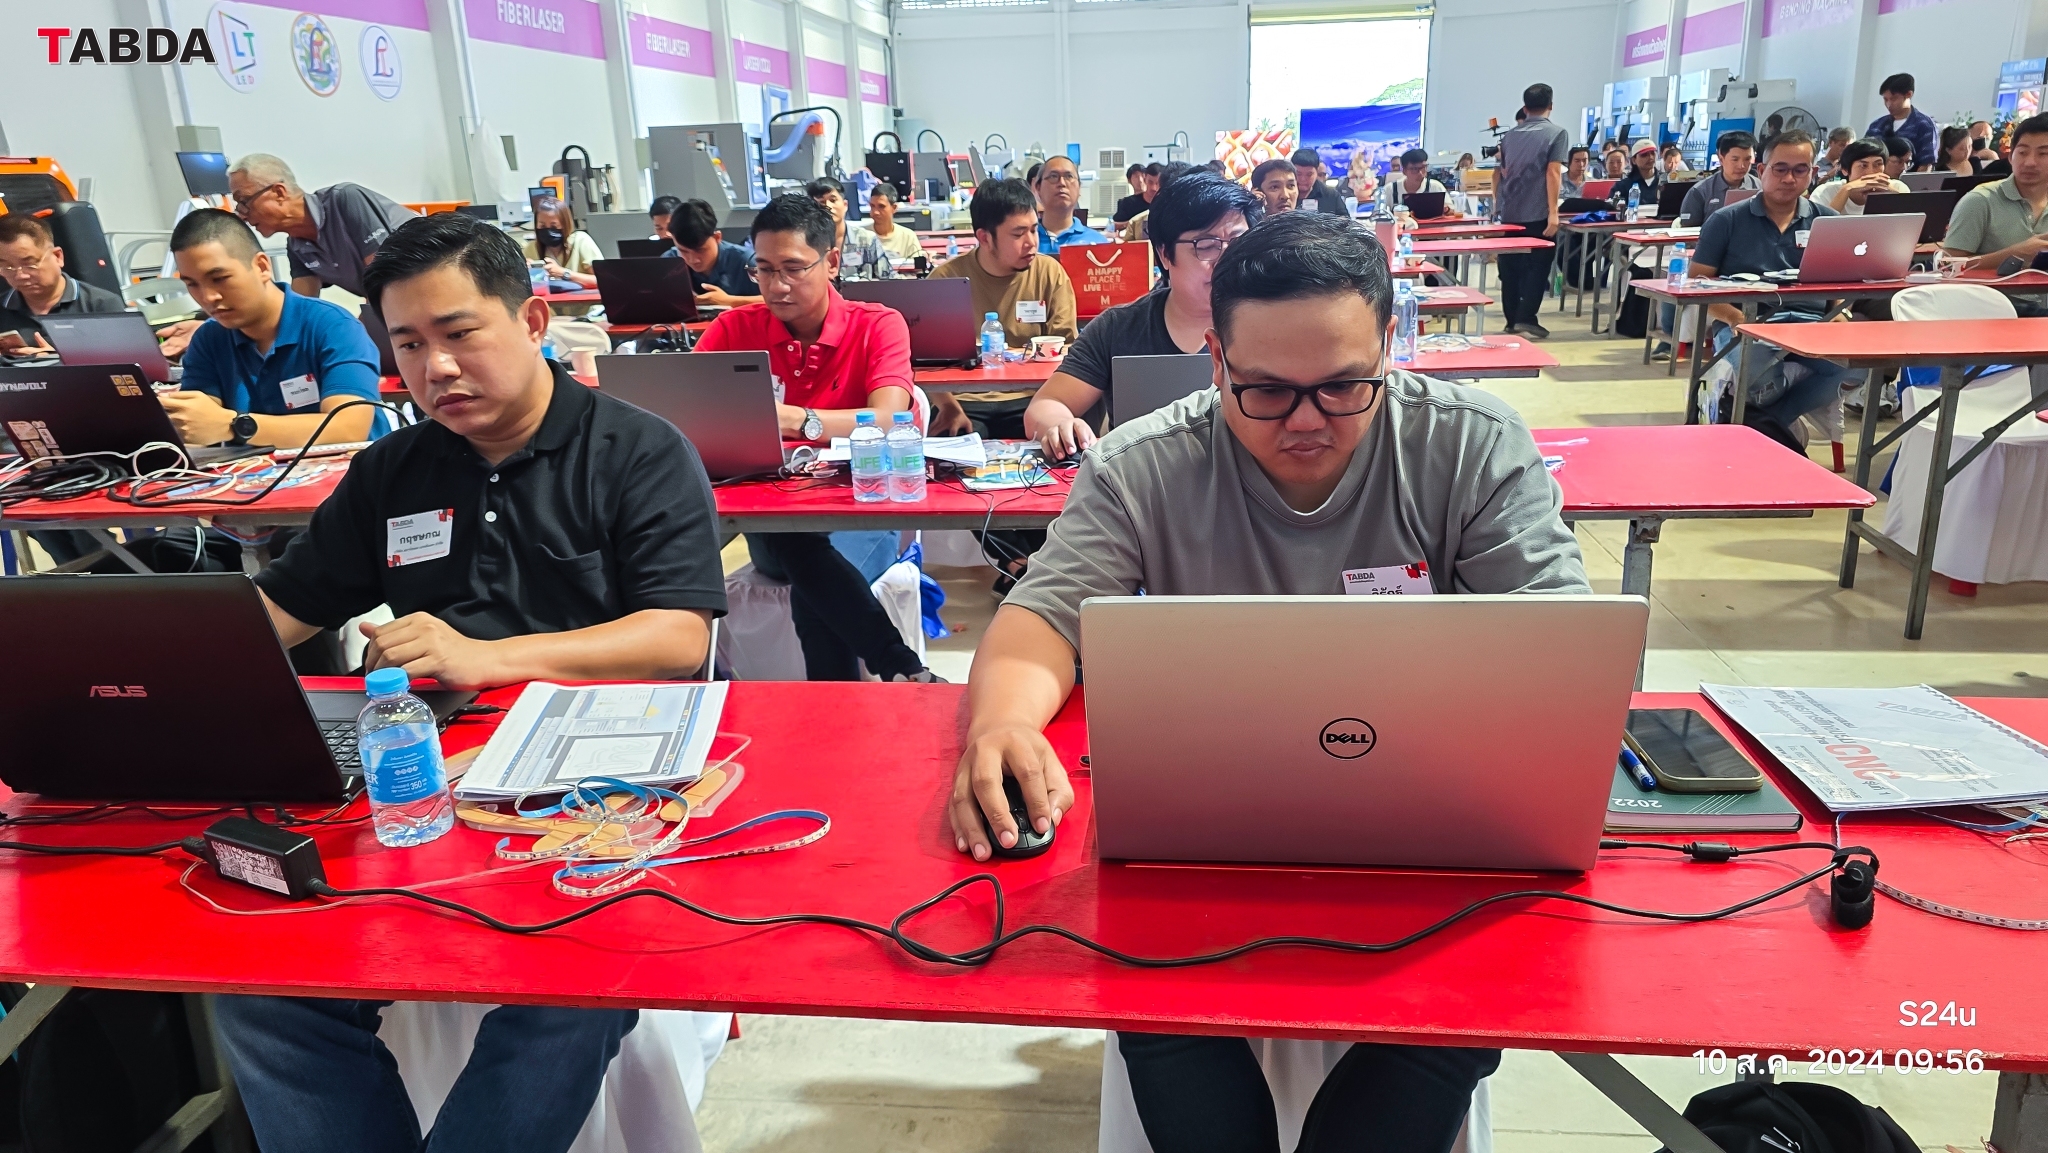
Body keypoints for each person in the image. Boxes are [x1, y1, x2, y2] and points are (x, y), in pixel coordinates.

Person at [950, 210, 1583, 1150]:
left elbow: (1560, 650)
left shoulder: (1470, 444)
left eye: (1343, 387)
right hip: (1201, 836)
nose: (1306, 421)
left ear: (1390, 345)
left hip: (1435, 829)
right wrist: (1001, 724)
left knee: (1451, 1014)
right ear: (1216, 361)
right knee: (1153, 993)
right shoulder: (1143, 465)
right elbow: (1042, 616)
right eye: (1268, 392)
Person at [212, 210, 728, 1153]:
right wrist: (153, 658)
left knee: (574, 983)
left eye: (458, 332)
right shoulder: (394, 469)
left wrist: (484, 657)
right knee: (260, 990)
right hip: (415, 774)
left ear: (532, 320)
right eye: (408, 343)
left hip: (598, 781)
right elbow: (284, 607)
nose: (435, 367)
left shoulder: (636, 449)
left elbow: (676, 635)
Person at [693, 194, 937, 683]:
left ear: (830, 262)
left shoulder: (877, 325)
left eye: (793, 269)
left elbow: (889, 419)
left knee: (812, 587)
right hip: (766, 512)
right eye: (763, 270)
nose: (776, 286)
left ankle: (865, 693)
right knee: (679, 556)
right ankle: (902, 669)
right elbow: (689, 411)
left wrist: (794, 420)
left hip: (860, 505)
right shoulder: (734, 328)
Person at [1027, 172, 1257, 460]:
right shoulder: (1120, 328)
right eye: (1206, 246)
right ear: (1164, 254)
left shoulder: (1271, 325)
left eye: (1238, 242)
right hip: (1140, 480)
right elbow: (1046, 404)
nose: (1225, 260)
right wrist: (1062, 426)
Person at [1689, 129, 1852, 446]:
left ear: (1812, 172)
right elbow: (1699, 284)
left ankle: (1770, 426)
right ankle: (1776, 429)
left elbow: (1841, 281)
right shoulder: (1726, 220)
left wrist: (1839, 312)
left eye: (1800, 170)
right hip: (1749, 322)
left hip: (1812, 323)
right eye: (1780, 169)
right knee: (1756, 375)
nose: (1789, 178)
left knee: (1856, 368)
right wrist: (1735, 317)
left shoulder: (1828, 221)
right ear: (1762, 170)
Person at [228, 152, 418, 370]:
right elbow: (299, 312)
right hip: (399, 313)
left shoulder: (346, 200)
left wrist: (347, 338)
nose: (242, 215)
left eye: (244, 201)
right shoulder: (296, 245)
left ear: (279, 192)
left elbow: (384, 281)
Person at [928, 178, 1079, 441]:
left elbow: (1068, 350)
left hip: (1033, 398)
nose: (1031, 242)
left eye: (1034, 230)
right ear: (985, 238)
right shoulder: (946, 280)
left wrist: (1052, 407)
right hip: (964, 401)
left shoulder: (1049, 273)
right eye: (1018, 234)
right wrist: (947, 406)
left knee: (1064, 449)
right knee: (952, 452)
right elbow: (925, 360)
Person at [1940, 112, 2048, 314]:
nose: (2030, 162)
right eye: (2022, 152)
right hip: (1991, 308)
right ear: (2011, 156)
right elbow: (1946, 267)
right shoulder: (1980, 201)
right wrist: (2016, 253)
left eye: (2043, 154)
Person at [1493, 82, 1569, 340]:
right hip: (1538, 213)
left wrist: (1498, 207)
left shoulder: (1508, 137)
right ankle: (1526, 316)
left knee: (1511, 268)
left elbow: (1501, 174)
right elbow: (1553, 172)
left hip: (1510, 213)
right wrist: (1554, 212)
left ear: (1525, 108)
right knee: (1538, 265)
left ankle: (1511, 319)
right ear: (1551, 106)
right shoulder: (1557, 133)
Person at [0, 212, 128, 352]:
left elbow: (123, 361)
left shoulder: (100, 305)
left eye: (30, 264)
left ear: (57, 257)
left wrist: (55, 358)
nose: (20, 275)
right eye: (7, 267)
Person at [668, 199, 761, 307]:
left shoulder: (747, 261)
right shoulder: (669, 262)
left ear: (717, 237)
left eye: (700, 250)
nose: (693, 260)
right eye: (683, 251)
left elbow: (775, 299)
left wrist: (730, 301)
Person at [807, 177, 894, 281]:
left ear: (845, 205)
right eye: (822, 202)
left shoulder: (867, 240)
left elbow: (887, 281)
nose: (828, 206)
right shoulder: (807, 242)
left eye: (833, 200)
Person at [1678, 131, 1759, 225]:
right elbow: (1689, 229)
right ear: (1721, 159)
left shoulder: (1760, 187)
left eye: (1747, 159)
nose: (1741, 166)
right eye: (1735, 159)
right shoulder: (1699, 192)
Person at [1032, 155, 1109, 252]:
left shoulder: (1098, 243)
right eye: (1053, 176)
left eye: (1069, 176)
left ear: (1079, 188)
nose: (1062, 183)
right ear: (1038, 188)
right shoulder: (1026, 241)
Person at [1810, 138, 1908, 215]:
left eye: (1878, 164)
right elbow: (1819, 229)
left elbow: (1908, 225)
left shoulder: (1897, 188)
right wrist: (1846, 189)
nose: (1871, 173)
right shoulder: (1825, 192)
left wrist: (1892, 194)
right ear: (1845, 170)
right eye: (1863, 166)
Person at [523, 196, 601, 289]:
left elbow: (601, 280)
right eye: (542, 226)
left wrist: (563, 273)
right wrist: (525, 272)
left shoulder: (581, 241)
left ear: (564, 224)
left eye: (554, 226)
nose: (548, 230)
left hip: (581, 298)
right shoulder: (531, 248)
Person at [1868, 72, 1938, 172]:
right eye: (1885, 99)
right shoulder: (1877, 126)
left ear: (1908, 94)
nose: (1889, 104)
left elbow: (1926, 164)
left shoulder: (1924, 125)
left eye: (1893, 99)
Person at [866, 181, 924, 262]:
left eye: (881, 206)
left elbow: (918, 266)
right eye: (872, 206)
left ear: (894, 208)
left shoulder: (908, 236)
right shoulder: (861, 235)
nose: (875, 212)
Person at [1376, 147, 1446, 211]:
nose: (1420, 173)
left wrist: (1446, 209)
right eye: (1415, 169)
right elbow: (1379, 215)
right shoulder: (1389, 190)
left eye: (1423, 167)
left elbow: (1450, 211)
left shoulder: (1436, 187)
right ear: (1404, 171)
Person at [1292, 148, 1349, 215]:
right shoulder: (1285, 195)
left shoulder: (1331, 195)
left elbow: (1345, 219)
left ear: (1316, 173)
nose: (1303, 179)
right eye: (1298, 174)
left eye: (1309, 175)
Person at [1611, 140, 1664, 209]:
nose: (1650, 157)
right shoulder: (1622, 186)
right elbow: (1612, 209)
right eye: (1644, 155)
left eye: (1653, 153)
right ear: (1634, 160)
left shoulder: (1666, 181)